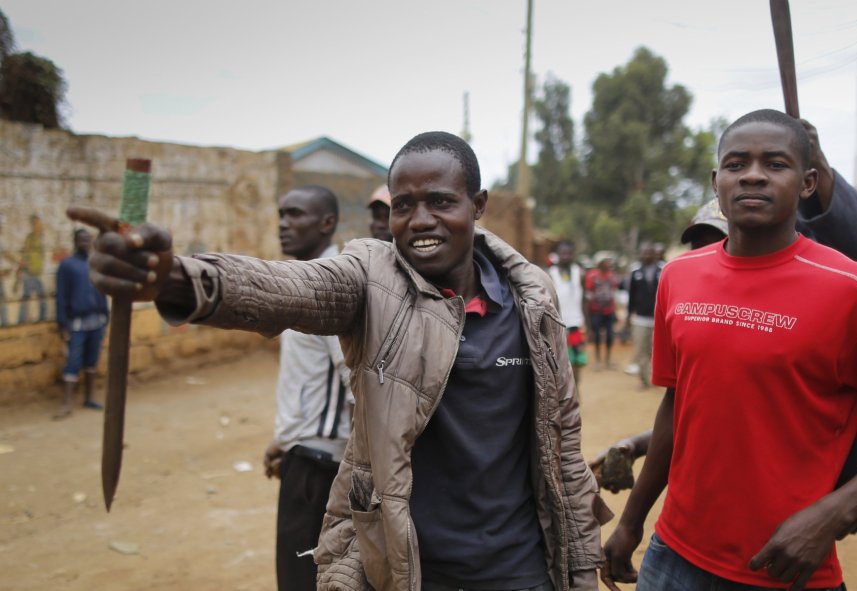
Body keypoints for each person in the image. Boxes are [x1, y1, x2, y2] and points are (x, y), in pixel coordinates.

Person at [72, 131, 607, 591]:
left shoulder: (532, 295)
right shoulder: (373, 277)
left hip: (519, 570)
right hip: (406, 568)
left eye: (441, 202)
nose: (419, 221)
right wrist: (178, 278)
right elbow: (289, 287)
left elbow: (561, 443)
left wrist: (581, 570)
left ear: (478, 204)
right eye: (403, 205)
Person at [602, 109, 857, 591]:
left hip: (785, 567)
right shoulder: (679, 278)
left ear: (807, 183)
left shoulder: (854, 291)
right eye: (737, 163)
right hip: (673, 556)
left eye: (775, 164)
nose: (754, 175)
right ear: (716, 180)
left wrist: (832, 514)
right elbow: (678, 406)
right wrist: (632, 521)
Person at [260, 185, 353, 591]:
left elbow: (356, 380)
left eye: (296, 214)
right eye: (281, 214)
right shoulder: (305, 281)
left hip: (322, 467)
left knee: (303, 580)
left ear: (327, 223)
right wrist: (285, 440)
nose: (284, 224)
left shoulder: (331, 287)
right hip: (305, 455)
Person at [53, 228, 108, 418]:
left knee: (92, 361)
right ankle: (67, 403)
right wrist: (62, 325)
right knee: (73, 362)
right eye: (81, 239)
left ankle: (89, 398)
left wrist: (105, 317)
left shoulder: (95, 263)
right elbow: (61, 296)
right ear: (75, 242)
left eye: (88, 239)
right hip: (76, 323)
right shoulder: (67, 265)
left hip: (96, 321)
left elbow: (102, 290)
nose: (85, 242)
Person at [622, 241, 664, 390]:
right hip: (640, 319)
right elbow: (631, 297)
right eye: (644, 252)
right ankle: (644, 381)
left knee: (658, 351)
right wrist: (627, 318)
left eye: (649, 252)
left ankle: (658, 379)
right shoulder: (635, 272)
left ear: (654, 254)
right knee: (641, 351)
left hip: (659, 319)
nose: (646, 255)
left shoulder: (663, 270)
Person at [547, 239, 587, 386]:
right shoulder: (550, 274)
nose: (566, 256)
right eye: (562, 253)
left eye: (569, 253)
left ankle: (575, 395)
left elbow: (584, 300)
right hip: (557, 325)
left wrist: (586, 323)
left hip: (576, 324)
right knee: (560, 362)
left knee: (577, 361)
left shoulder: (580, 273)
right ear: (557, 254)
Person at [584, 252, 620, 370]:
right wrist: (588, 314)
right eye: (605, 262)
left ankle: (608, 360)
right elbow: (588, 295)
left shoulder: (612, 276)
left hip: (609, 311)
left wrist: (615, 309)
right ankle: (598, 361)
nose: (608, 264)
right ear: (599, 263)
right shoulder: (592, 276)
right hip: (596, 311)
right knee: (597, 336)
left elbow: (614, 293)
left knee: (610, 336)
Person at [18, 214, 47, 324]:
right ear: (33, 224)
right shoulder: (30, 238)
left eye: (39, 223)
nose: (39, 225)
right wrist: (20, 271)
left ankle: (42, 319)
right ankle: (21, 320)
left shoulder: (40, 238)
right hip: (29, 272)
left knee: (41, 296)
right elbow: (24, 255)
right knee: (27, 296)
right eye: (36, 223)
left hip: (36, 273)